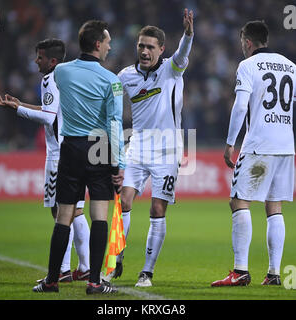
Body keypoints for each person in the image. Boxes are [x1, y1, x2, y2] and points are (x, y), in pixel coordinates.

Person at [211, 21, 296, 287]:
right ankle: (273, 273)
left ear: (247, 42)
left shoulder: (247, 66)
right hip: (285, 147)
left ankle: (240, 271)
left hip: (258, 146)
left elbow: (240, 106)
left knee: (239, 202)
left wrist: (229, 143)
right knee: (274, 207)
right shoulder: (289, 65)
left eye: (241, 43)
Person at [32, 20, 125, 295]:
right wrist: (118, 163)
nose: (110, 46)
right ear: (98, 44)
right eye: (107, 41)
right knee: (98, 216)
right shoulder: (112, 80)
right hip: (99, 146)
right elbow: (115, 122)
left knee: (63, 216)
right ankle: (95, 282)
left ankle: (51, 281)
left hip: (70, 148)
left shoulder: (61, 71)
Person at [0, 39, 90, 282]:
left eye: (40, 57)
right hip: (77, 150)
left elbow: (48, 118)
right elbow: (53, 110)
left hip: (59, 155)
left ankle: (63, 269)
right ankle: (86, 266)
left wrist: (17, 111)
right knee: (76, 211)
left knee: (61, 213)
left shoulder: (49, 79)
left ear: (52, 61)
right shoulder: (68, 76)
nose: (36, 61)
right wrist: (21, 103)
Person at [110, 8, 194, 287]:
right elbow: (109, 104)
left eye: (150, 47)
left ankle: (146, 272)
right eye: (141, 46)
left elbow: (183, 54)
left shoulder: (172, 69)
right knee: (123, 202)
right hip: (137, 146)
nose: (144, 51)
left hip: (167, 151)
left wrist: (189, 34)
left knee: (157, 209)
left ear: (161, 49)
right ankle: (115, 260)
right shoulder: (125, 76)